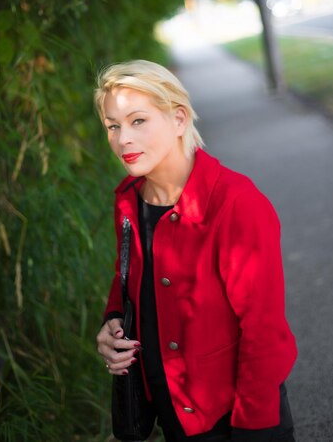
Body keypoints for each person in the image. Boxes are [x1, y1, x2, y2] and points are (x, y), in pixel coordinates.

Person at [95, 59, 297, 442]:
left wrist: (253, 429)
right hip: (170, 410)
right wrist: (114, 319)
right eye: (113, 126)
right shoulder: (128, 201)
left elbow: (264, 332)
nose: (123, 140)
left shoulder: (236, 204)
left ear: (179, 120)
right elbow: (131, 274)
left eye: (138, 121)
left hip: (233, 416)